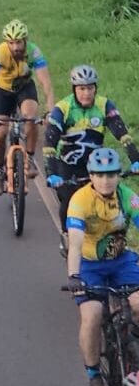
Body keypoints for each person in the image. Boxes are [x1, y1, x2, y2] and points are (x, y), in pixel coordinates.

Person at [65, 148, 139, 386]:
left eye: (111, 174)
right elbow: (74, 243)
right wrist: (74, 276)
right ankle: (94, 374)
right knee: (92, 315)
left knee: (138, 304)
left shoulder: (128, 197)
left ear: (119, 176)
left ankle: (134, 354)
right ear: (91, 176)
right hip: (89, 265)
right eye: (99, 174)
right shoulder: (79, 200)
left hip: (122, 261)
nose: (105, 180)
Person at [44, 65, 139, 256]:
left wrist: (135, 159)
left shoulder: (105, 106)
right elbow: (49, 145)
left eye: (90, 88)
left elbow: (123, 135)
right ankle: (68, 236)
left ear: (95, 88)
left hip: (95, 166)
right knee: (69, 204)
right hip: (67, 166)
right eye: (81, 88)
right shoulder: (63, 108)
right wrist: (52, 173)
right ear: (74, 89)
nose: (86, 93)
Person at [0, 19, 55, 194]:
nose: (15, 47)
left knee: (31, 118)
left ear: (25, 40)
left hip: (25, 88)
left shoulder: (34, 52)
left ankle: (30, 158)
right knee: (0, 133)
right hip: (2, 90)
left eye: (18, 42)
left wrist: (51, 111)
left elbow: (46, 84)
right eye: (11, 43)